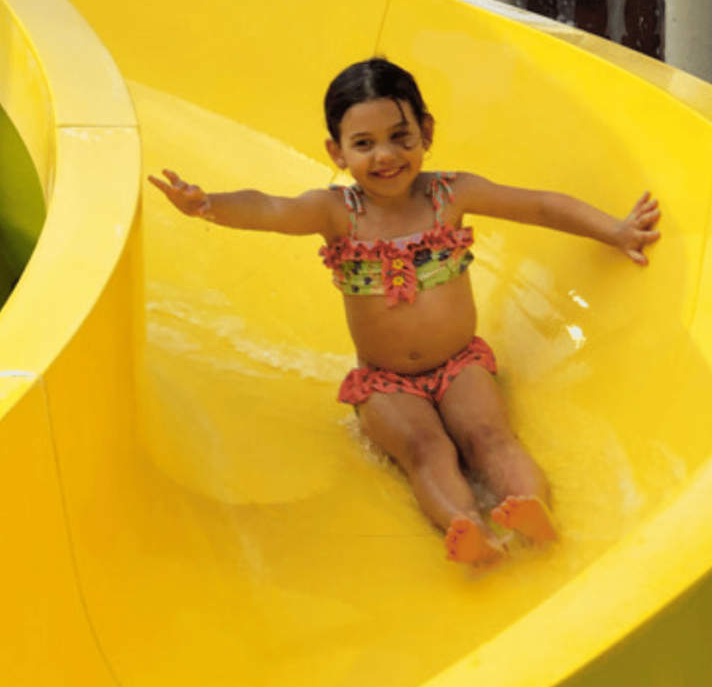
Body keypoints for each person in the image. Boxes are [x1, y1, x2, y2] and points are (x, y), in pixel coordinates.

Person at [148, 57, 661, 565]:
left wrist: (613, 230)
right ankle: (467, 525)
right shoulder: (337, 213)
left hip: (460, 364)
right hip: (385, 382)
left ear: (427, 132)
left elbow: (540, 206)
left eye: (401, 137)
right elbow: (270, 208)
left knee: (490, 437)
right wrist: (207, 203)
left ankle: (530, 508)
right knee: (426, 448)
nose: (386, 156)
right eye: (364, 144)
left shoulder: (450, 195)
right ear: (337, 152)